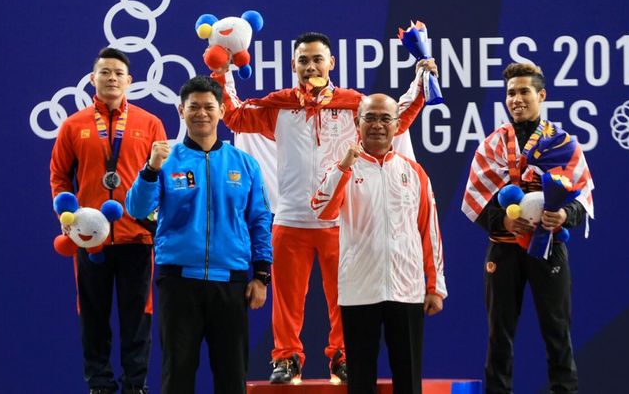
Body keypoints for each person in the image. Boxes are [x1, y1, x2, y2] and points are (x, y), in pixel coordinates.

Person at [213, 32, 436, 384]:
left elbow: (396, 118)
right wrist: (222, 71)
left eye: (317, 59)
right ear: (293, 66)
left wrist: (421, 80)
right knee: (286, 297)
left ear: (331, 63)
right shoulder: (280, 107)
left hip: (339, 219)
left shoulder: (353, 105)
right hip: (290, 216)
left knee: (342, 296)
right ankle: (286, 358)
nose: (310, 66)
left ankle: (342, 356)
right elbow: (235, 116)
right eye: (303, 61)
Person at [125, 76, 272, 394]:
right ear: (181, 110)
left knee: (232, 376)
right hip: (178, 282)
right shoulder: (167, 160)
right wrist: (150, 169)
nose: (201, 113)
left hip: (230, 282)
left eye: (209, 107)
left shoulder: (243, 164)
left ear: (221, 111)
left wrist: (261, 275)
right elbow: (137, 208)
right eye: (194, 107)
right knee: (177, 374)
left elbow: (259, 220)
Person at [461, 63, 594, 394]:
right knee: (499, 336)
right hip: (503, 248)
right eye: (510, 93)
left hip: (548, 247)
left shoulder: (563, 143)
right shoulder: (492, 145)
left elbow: (582, 198)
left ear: (541, 95)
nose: (516, 99)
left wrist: (564, 216)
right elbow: (476, 202)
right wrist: (503, 220)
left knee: (557, 332)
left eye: (524, 92)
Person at [311, 94, 447, 394]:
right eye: (370, 118)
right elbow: (321, 210)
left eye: (385, 118)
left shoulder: (415, 173)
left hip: (407, 290)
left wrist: (435, 287)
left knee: (409, 380)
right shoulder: (343, 169)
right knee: (360, 381)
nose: (377, 125)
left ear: (397, 125)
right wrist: (344, 166)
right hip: (359, 291)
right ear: (357, 123)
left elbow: (430, 231)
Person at [50, 47, 167, 394]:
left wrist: (156, 220)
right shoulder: (74, 125)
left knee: (138, 316)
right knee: (93, 315)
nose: (112, 78)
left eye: (118, 73)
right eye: (105, 72)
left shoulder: (150, 123)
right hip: (90, 237)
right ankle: (99, 385)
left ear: (130, 81)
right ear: (92, 79)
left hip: (137, 237)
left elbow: (162, 179)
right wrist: (65, 214)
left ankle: (135, 385)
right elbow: (59, 177)